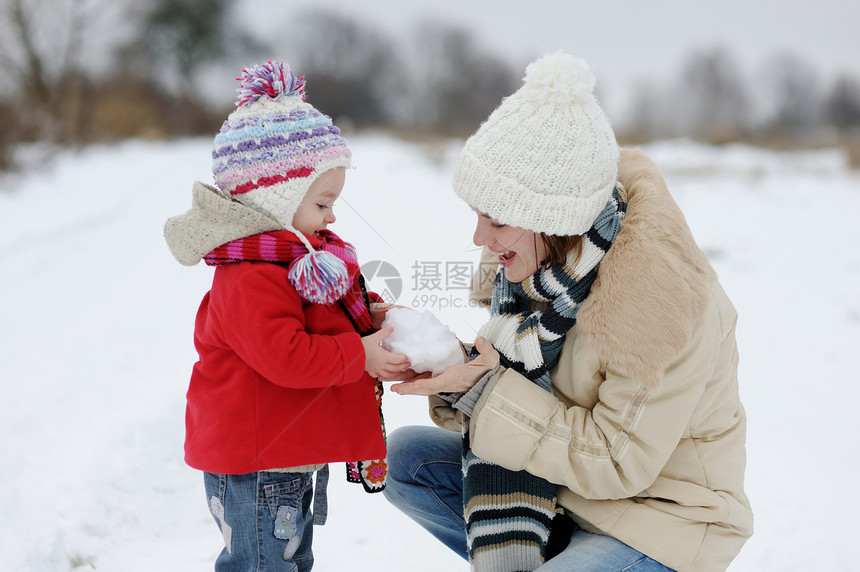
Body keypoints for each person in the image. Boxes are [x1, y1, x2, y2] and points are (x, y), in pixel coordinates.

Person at [382, 52, 753, 572]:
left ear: (552, 219)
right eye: (477, 215)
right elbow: (527, 378)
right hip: (565, 494)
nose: (478, 239)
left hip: (662, 520)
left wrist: (485, 393)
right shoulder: (540, 268)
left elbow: (616, 460)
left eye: (497, 220)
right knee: (409, 461)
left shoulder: (660, 299)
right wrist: (453, 369)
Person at [163, 60, 408, 572]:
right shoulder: (250, 275)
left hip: (280, 458)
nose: (333, 216)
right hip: (257, 463)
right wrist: (357, 354)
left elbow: (315, 319)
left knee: (288, 561)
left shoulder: (289, 260)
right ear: (276, 196)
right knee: (263, 565)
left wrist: (369, 319)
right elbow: (285, 355)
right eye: (322, 202)